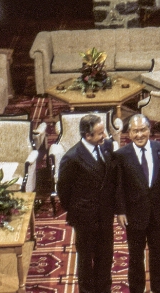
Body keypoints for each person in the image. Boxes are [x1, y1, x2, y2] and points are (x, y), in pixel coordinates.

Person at [113, 114, 160, 293]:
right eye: (135, 131)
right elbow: (118, 186)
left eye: (143, 130)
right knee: (135, 256)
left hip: (158, 212)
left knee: (157, 252)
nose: (140, 134)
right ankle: (136, 289)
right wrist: (120, 211)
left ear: (149, 130)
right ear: (129, 133)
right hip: (134, 215)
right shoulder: (120, 155)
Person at [57, 114, 116, 293]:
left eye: (103, 131)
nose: (104, 136)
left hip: (105, 215)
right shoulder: (72, 158)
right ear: (87, 135)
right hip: (85, 219)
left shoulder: (106, 146)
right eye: (99, 133)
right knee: (85, 259)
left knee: (105, 256)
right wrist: (79, 210)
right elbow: (63, 192)